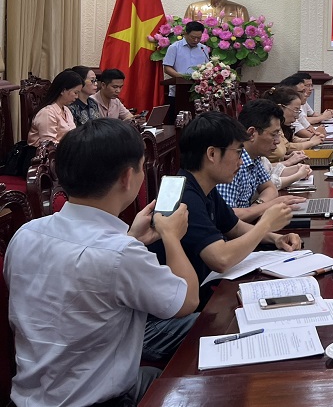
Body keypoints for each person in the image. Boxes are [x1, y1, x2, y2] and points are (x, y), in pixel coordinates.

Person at [4, 118, 199, 405]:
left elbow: (85, 272)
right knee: (193, 371)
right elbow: (187, 301)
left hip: (30, 396)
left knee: (153, 373)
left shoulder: (26, 234)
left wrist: (131, 238)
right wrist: (171, 236)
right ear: (127, 177)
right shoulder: (121, 254)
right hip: (99, 400)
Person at [147, 111, 299, 288]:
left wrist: (276, 239)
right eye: (238, 153)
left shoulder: (203, 186)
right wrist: (265, 224)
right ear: (212, 154)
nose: (241, 162)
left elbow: (235, 227)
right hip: (181, 299)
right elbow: (220, 259)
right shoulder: (183, 198)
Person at [216, 99, 306, 221]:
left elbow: (270, 188)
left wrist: (257, 207)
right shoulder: (231, 163)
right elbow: (227, 217)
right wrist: (268, 205)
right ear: (252, 133)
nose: (278, 141)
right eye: (273, 134)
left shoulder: (255, 157)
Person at [263, 86, 323, 160]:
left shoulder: (280, 126)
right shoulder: (267, 127)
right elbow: (286, 148)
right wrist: (311, 142)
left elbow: (287, 145)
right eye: (296, 110)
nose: (297, 116)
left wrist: (311, 139)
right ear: (281, 108)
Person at [27, 69, 83, 146]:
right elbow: (48, 145)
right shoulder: (47, 113)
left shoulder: (66, 110)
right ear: (63, 91)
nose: (77, 97)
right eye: (75, 93)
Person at [163, 20, 210, 101]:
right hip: (178, 91)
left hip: (199, 92)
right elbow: (167, 68)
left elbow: (207, 67)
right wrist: (183, 77)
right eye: (193, 37)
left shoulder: (203, 48)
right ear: (185, 34)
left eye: (199, 38)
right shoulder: (174, 47)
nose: (196, 40)